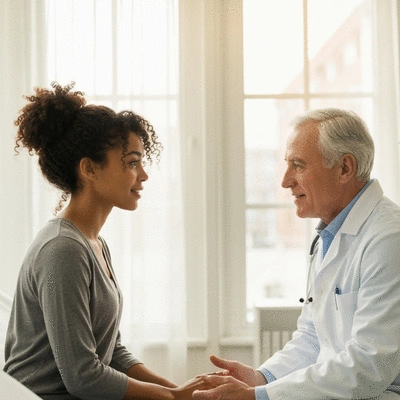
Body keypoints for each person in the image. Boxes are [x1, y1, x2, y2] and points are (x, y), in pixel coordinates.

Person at [3, 82, 206, 400]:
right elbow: (83, 377)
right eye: (131, 162)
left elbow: (112, 353)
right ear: (89, 169)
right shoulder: (62, 250)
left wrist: (178, 391)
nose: (143, 175)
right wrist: (174, 399)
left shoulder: (93, 243)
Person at [194, 108, 400, 399]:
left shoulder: (389, 239)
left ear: (344, 168)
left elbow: (370, 366)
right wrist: (261, 377)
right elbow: (313, 336)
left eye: (298, 165)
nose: (285, 180)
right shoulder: (329, 235)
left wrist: (260, 396)